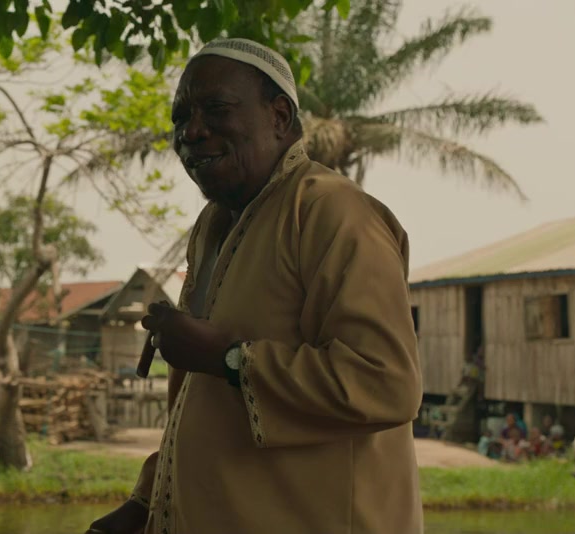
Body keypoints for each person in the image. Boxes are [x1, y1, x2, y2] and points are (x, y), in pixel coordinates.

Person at [85, 37, 422, 534]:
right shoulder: (213, 226)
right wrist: (144, 503)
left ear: (279, 116)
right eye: (181, 118)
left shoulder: (332, 211)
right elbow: (201, 404)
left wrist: (228, 359)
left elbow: (387, 384)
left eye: (216, 109)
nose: (191, 131)